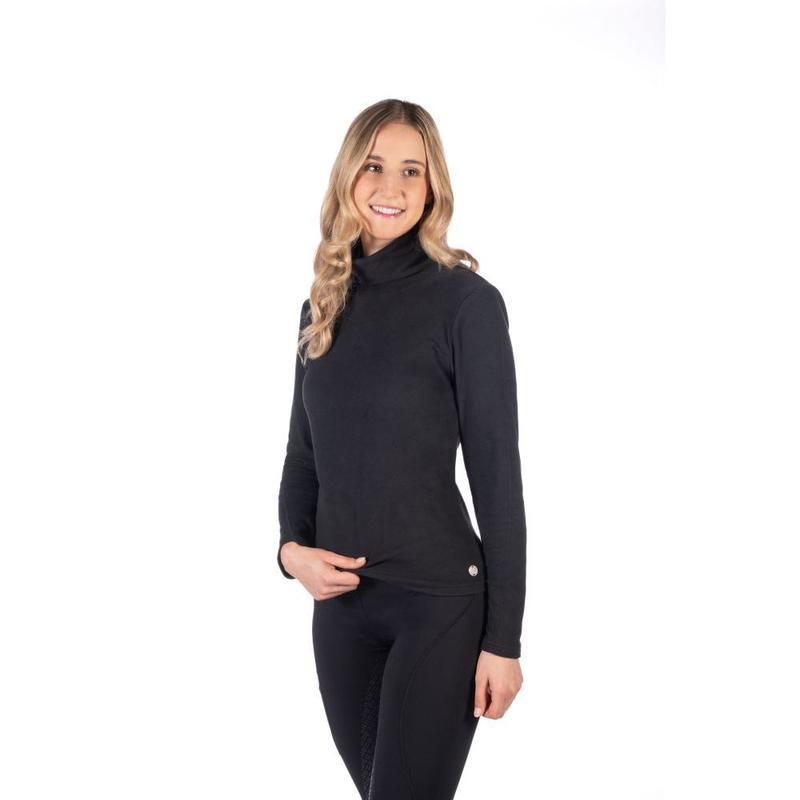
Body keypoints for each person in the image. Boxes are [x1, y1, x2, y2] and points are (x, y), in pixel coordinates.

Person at [277, 98, 527, 799]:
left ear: (432, 185)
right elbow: (304, 455)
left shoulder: (467, 304)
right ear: (347, 177)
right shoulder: (322, 307)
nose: (391, 187)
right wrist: (291, 551)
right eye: (374, 166)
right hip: (343, 616)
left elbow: (498, 482)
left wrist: (503, 641)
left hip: (439, 606)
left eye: (411, 170)